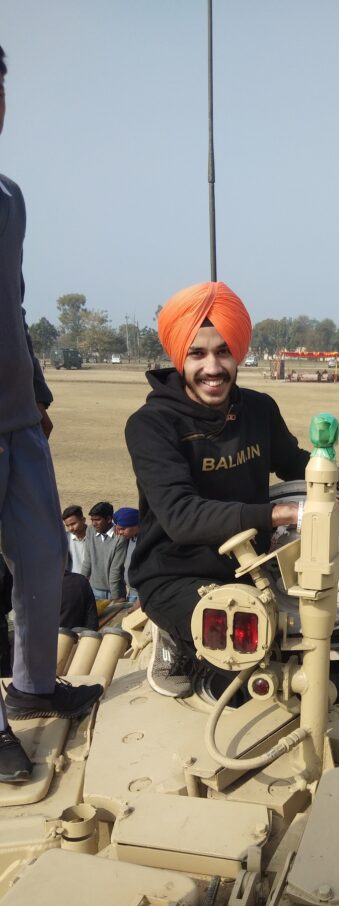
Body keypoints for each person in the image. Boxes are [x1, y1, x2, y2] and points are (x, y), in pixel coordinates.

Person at [125, 281, 339, 698]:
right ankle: (173, 637)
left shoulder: (257, 409)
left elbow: (296, 462)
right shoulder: (152, 425)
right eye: (197, 353)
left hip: (251, 567)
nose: (213, 367)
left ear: (237, 351)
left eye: (223, 351)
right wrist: (286, 515)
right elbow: (183, 517)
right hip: (175, 575)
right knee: (246, 680)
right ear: (177, 355)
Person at [0, 47, 102, 783]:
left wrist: (36, 392)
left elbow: (17, 304)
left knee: (42, 562)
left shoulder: (10, 197)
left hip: (16, 422)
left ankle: (34, 686)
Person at [80, 501, 128, 601]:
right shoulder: (90, 531)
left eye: (97, 520)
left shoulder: (119, 537)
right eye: (92, 520)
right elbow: (87, 561)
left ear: (109, 519)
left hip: (115, 592)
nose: (94, 523)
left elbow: (116, 570)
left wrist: (116, 597)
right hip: (94, 590)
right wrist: (80, 586)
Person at [113, 507, 140, 604]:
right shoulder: (129, 538)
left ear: (136, 525)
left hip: (142, 596)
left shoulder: (146, 542)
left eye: (123, 529)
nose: (120, 532)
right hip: (131, 594)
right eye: (118, 529)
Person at [62, 504, 91, 573]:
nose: (70, 528)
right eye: (67, 525)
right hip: (75, 580)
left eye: (73, 524)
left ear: (83, 520)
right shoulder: (66, 538)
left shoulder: (95, 536)